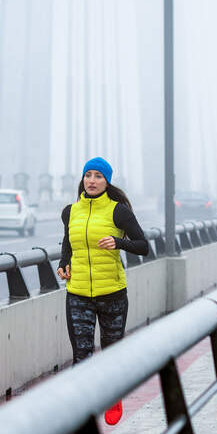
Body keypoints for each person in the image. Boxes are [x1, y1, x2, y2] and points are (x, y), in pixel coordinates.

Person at [57, 157, 149, 367]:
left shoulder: (119, 211)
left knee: (112, 359)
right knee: (81, 358)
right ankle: (85, 401)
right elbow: (68, 243)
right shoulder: (70, 212)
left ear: (107, 182)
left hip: (112, 294)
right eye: (88, 175)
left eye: (98, 176)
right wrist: (63, 264)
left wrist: (118, 243)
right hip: (78, 295)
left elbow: (143, 246)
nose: (92, 180)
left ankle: (113, 401)